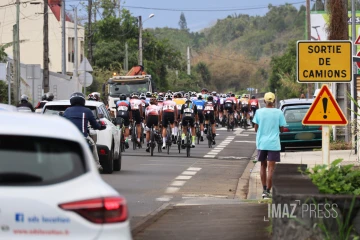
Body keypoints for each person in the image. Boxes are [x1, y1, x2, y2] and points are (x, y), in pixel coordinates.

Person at [252, 92, 286, 199]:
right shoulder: (279, 112)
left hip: (262, 143)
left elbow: (255, 129)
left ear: (265, 101)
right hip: (274, 144)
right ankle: (268, 191)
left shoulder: (258, 112)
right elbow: (282, 129)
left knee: (263, 165)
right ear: (274, 101)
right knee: (271, 168)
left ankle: (263, 189)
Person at [63, 92, 106, 171]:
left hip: (69, 137)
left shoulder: (67, 111)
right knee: (93, 144)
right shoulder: (87, 111)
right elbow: (95, 125)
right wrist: (101, 127)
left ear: (71, 101)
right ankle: (97, 165)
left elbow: (63, 123)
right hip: (83, 137)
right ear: (83, 101)